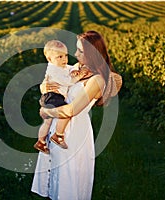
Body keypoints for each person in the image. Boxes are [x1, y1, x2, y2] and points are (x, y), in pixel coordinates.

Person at [31, 31, 122, 199]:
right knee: (56, 179)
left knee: (68, 183)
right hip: (59, 127)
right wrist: (45, 87)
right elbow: (51, 81)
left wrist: (46, 111)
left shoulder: (97, 80)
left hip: (74, 134)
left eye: (80, 51)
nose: (75, 54)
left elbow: (72, 110)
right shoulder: (78, 68)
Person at [34, 40, 91, 154]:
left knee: (47, 122)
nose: (64, 59)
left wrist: (74, 70)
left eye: (65, 55)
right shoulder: (53, 69)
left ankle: (41, 142)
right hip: (53, 96)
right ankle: (58, 135)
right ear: (50, 59)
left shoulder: (61, 66)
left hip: (50, 97)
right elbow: (66, 81)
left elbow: (69, 68)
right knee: (65, 113)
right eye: (59, 57)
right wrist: (77, 77)